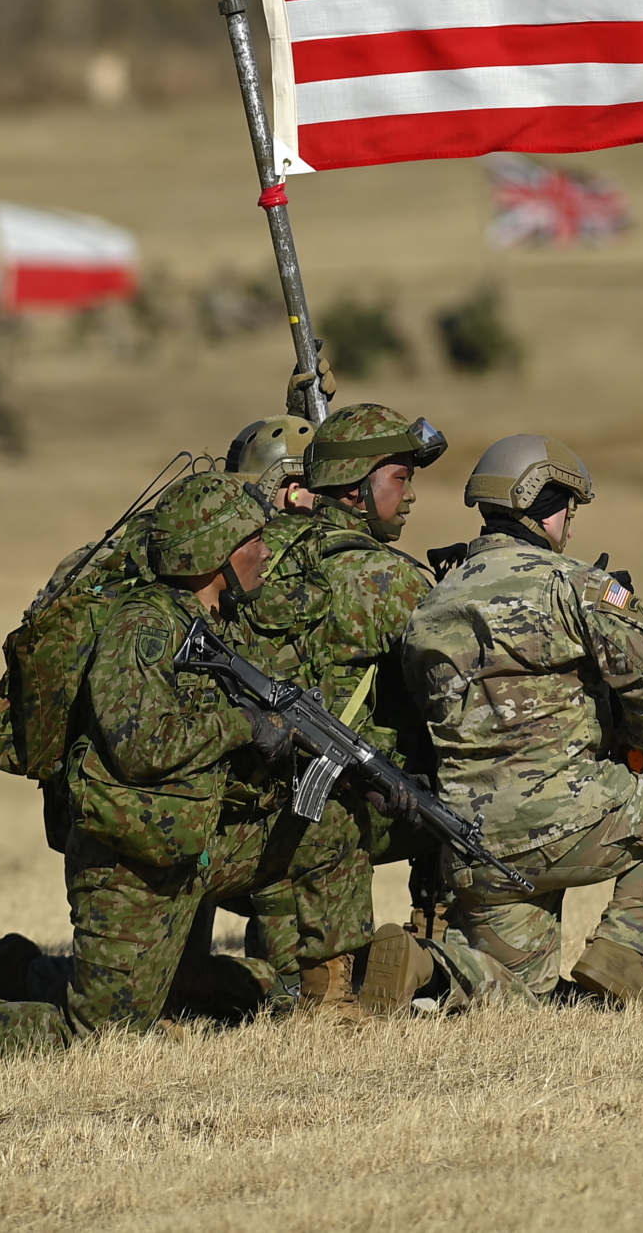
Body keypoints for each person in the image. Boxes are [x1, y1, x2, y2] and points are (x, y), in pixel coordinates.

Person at [0, 472, 372, 1073]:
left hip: (193, 843)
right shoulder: (142, 629)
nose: (264, 553)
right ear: (211, 555)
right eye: (252, 541)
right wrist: (241, 725)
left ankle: (326, 1007)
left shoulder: (212, 623)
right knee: (100, 1038)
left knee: (328, 822)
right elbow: (140, 746)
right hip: (128, 860)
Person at [389, 435, 643, 1010]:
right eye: (570, 507)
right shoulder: (572, 584)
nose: (572, 525)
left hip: (469, 843)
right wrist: (631, 747)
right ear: (542, 501)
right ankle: (622, 955)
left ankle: (421, 966)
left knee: (521, 997)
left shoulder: (434, 601)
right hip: (567, 821)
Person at [233, 404, 450, 980]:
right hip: (336, 808)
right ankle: (438, 951)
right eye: (400, 477)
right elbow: (453, 698)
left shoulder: (255, 552)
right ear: (355, 488)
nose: (409, 496)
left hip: (237, 801)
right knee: (467, 785)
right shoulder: (387, 579)